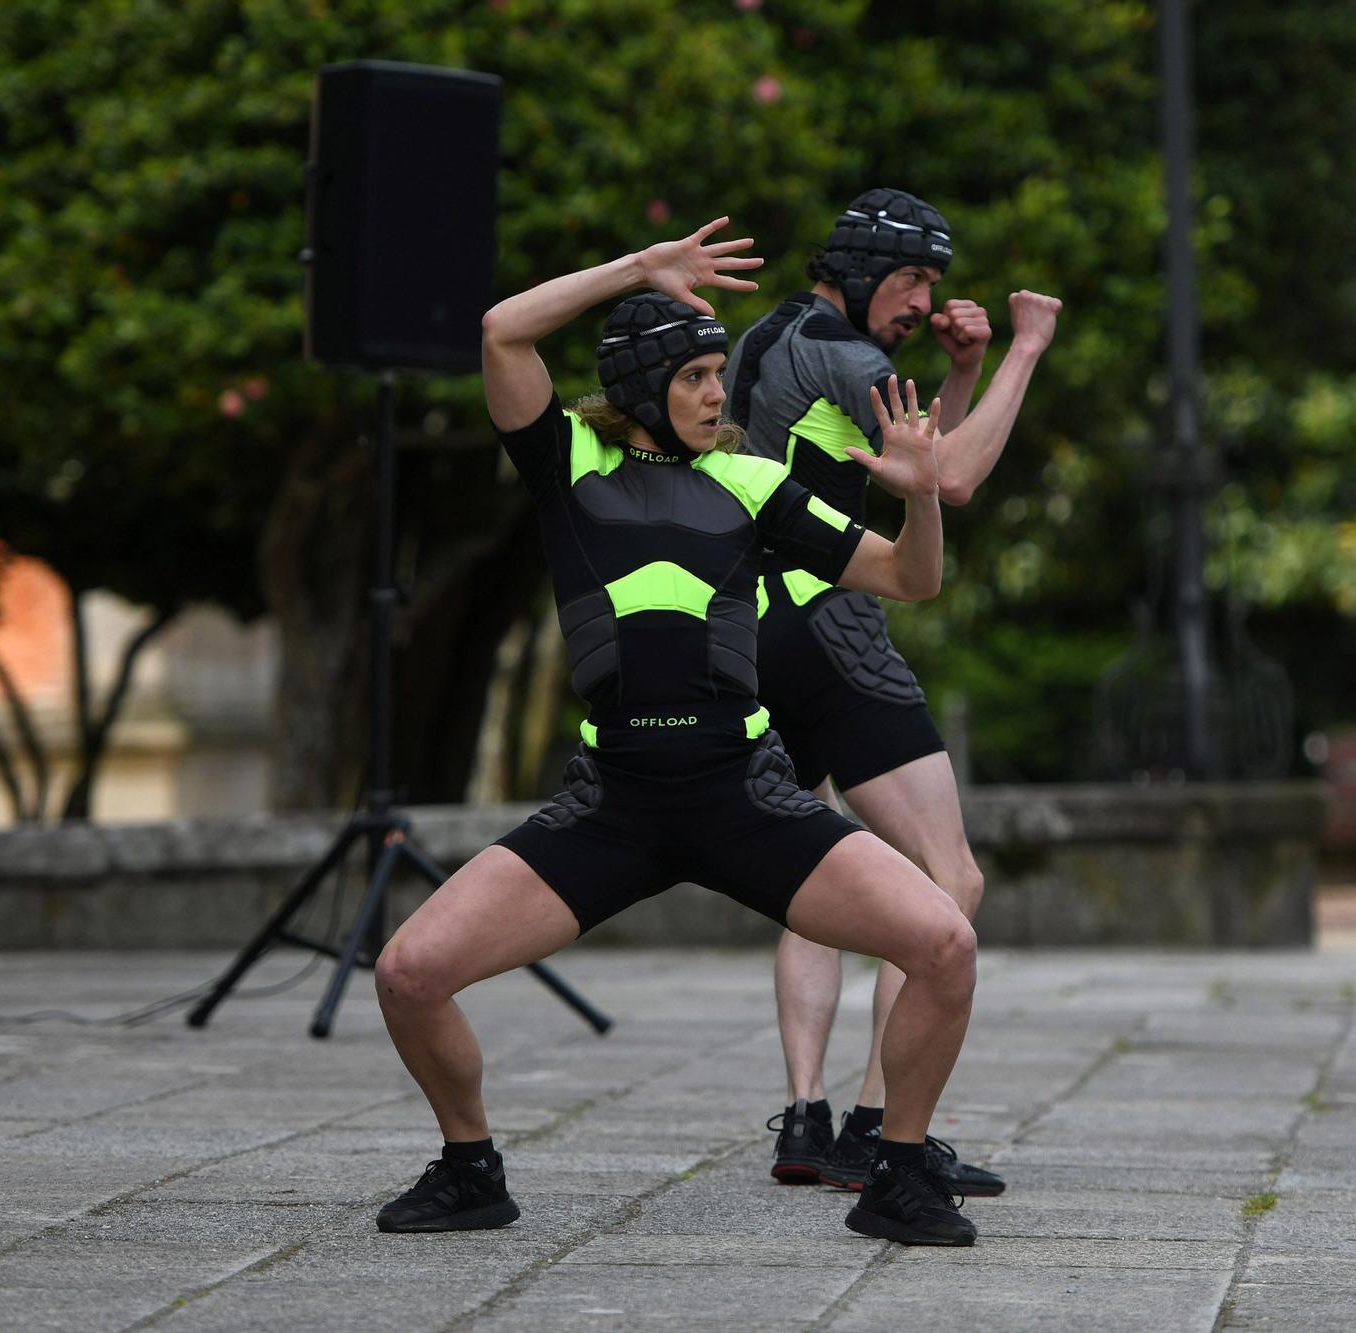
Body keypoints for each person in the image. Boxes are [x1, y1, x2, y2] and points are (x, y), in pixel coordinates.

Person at [372, 219, 983, 1247]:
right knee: (407, 973)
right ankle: (469, 1165)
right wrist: (637, 271)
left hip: (742, 792)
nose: (717, 394)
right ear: (647, 386)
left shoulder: (747, 483)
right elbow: (501, 333)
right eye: (699, 375)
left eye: (719, 375)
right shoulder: (567, 462)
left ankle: (901, 1171)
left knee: (945, 942)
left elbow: (908, 580)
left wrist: (920, 499)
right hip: (611, 803)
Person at [726, 189, 1061, 1196]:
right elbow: (951, 481)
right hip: (829, 623)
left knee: (816, 874)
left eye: (932, 286)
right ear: (863, 270)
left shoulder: (770, 337)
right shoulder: (845, 351)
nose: (923, 302)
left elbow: (909, 466)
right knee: (946, 879)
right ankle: (879, 1127)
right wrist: (1021, 352)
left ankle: (804, 1118)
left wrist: (957, 372)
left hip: (744, 628)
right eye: (912, 280)